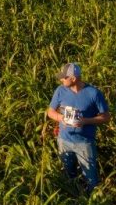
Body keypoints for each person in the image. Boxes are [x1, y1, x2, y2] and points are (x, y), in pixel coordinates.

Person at [47, 63, 111, 192]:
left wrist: (85, 121)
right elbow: (50, 112)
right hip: (63, 141)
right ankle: (73, 199)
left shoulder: (94, 93)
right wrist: (61, 118)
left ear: (74, 78)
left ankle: (92, 202)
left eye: (64, 77)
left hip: (85, 143)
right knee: (68, 174)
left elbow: (106, 117)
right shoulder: (60, 90)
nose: (61, 79)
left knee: (91, 179)